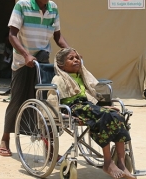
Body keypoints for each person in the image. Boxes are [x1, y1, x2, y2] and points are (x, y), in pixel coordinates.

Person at [0, 0, 70, 157]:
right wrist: (26, 55)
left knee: (46, 104)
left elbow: (57, 36)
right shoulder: (22, 6)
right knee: (17, 100)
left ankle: (49, 148)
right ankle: (5, 139)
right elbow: (12, 35)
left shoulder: (53, 8)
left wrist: (70, 51)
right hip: (23, 62)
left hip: (42, 62)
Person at [51, 48, 135, 179]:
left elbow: (90, 98)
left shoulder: (81, 77)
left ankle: (122, 163)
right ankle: (108, 162)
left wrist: (103, 107)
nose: (76, 60)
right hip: (73, 108)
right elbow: (53, 101)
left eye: (77, 57)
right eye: (71, 58)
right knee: (104, 115)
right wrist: (62, 114)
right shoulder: (58, 79)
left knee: (117, 115)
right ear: (62, 65)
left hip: (87, 106)